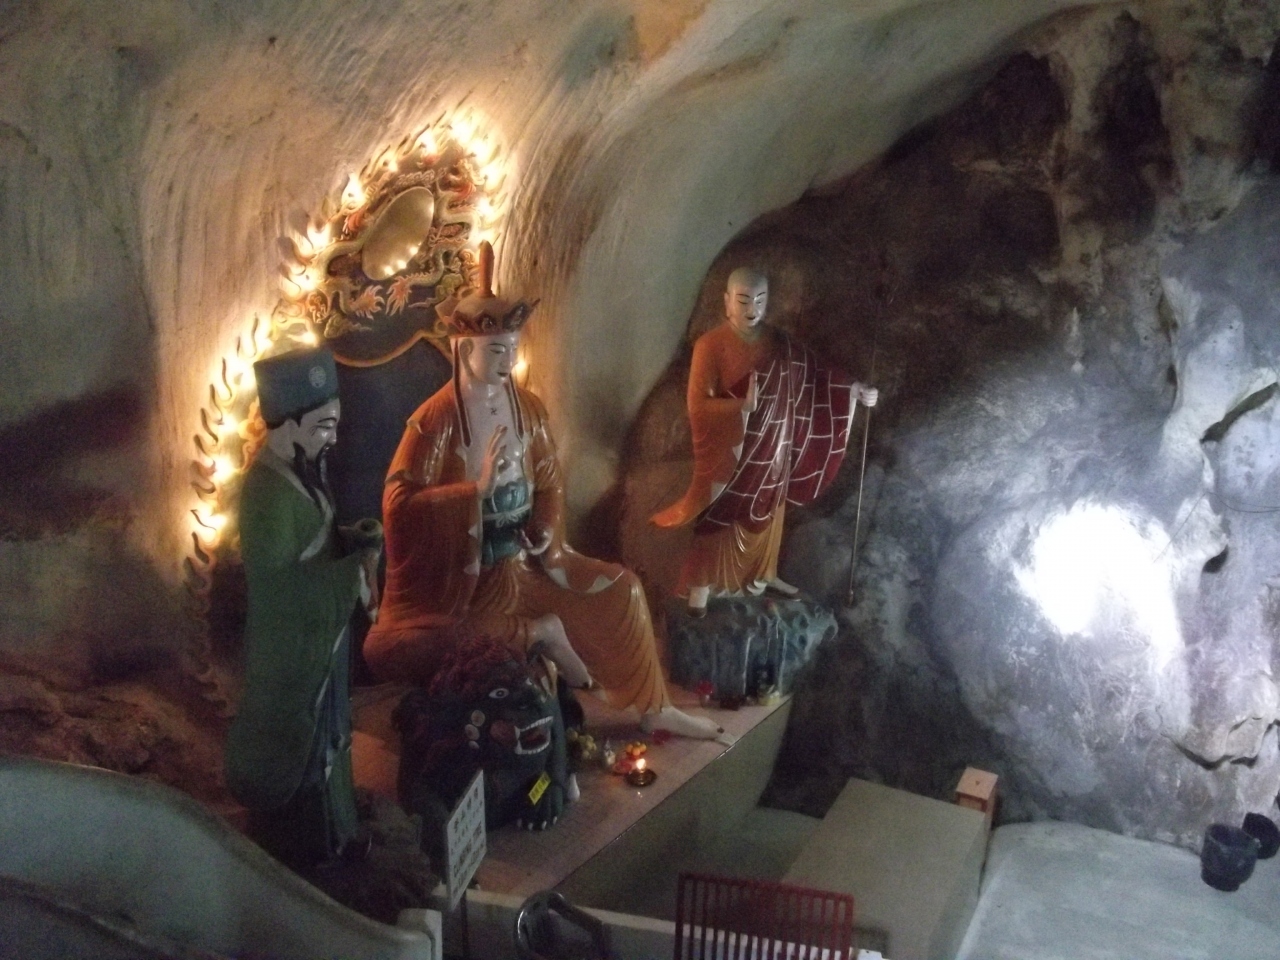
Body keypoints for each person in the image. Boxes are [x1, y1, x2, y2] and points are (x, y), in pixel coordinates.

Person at [365, 242, 723, 740]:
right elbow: (399, 505)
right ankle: (541, 635)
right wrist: (474, 491)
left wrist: (546, 532)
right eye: (496, 351)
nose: (508, 360)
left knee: (622, 590)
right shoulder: (435, 421)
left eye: (512, 349)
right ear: (464, 350)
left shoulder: (528, 409)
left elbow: (550, 481)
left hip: (527, 566)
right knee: (415, 647)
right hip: (464, 587)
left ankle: (654, 705)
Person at [224, 346, 382, 869]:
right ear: (287, 426)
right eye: (322, 427)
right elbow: (278, 588)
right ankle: (308, 847)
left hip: (323, 643)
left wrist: (353, 542)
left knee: (335, 734)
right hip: (292, 651)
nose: (331, 438)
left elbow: (316, 546)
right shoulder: (267, 493)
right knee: (309, 747)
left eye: (334, 425)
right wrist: (349, 573)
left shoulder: (304, 470)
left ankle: (340, 830)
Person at [651, 267, 877, 615]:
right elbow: (697, 405)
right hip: (735, 447)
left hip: (777, 441)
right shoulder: (710, 345)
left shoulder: (779, 343)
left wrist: (853, 389)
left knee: (771, 504)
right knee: (724, 506)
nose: (752, 309)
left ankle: (762, 573)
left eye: (760, 300)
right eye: (743, 300)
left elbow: (817, 373)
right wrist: (740, 406)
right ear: (727, 301)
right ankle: (701, 583)